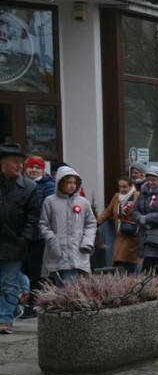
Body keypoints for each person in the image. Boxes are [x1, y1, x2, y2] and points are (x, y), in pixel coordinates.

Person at [0, 143, 40, 335]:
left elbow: (33, 217)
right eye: (15, 162)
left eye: (20, 162)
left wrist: (24, 238)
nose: (19, 165)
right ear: (3, 162)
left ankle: (4, 319)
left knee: (9, 282)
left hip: (15, 242)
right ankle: (12, 310)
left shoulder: (29, 187)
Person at [39, 166, 97, 286]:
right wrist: (52, 239)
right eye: (69, 182)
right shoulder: (50, 201)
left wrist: (87, 242)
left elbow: (91, 224)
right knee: (60, 287)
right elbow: (44, 224)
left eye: (75, 183)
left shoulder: (83, 203)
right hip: (57, 251)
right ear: (60, 183)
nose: (72, 186)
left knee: (72, 287)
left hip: (78, 250)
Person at [19, 156, 54, 318]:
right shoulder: (20, 182)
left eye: (37, 167)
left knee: (35, 271)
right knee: (23, 268)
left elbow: (47, 208)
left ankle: (33, 303)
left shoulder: (48, 185)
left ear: (42, 169)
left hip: (39, 234)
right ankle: (23, 300)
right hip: (21, 233)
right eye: (31, 167)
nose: (33, 170)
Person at [95, 176, 142, 274]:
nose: (122, 189)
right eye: (120, 187)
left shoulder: (138, 196)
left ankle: (131, 282)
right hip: (120, 232)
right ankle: (122, 283)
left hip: (133, 233)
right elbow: (108, 212)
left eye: (124, 187)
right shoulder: (117, 196)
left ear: (131, 186)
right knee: (119, 259)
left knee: (127, 259)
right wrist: (97, 222)